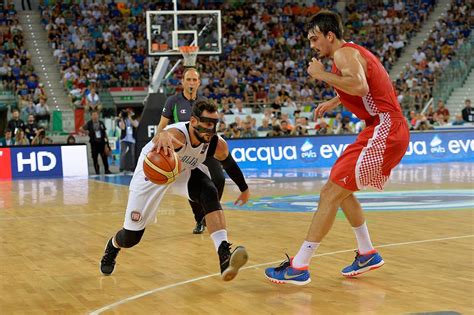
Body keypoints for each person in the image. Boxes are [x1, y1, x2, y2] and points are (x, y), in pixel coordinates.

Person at [265, 11, 410, 285]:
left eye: (314, 38)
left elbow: (358, 84)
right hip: (382, 127)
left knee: (330, 192)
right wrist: (336, 100)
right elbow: (366, 87)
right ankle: (367, 252)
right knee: (340, 191)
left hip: (385, 127)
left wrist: (321, 75)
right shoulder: (351, 53)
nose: (312, 45)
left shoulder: (342, 55)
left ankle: (299, 267)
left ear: (329, 35)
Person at [100, 101, 250, 281]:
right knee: (131, 238)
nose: (212, 129)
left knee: (209, 191)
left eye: (215, 124)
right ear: (193, 122)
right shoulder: (178, 136)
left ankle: (224, 254)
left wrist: (244, 189)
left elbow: (229, 164)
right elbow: (165, 135)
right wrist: (162, 134)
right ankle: (113, 245)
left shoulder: (216, 144)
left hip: (180, 171)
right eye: (208, 124)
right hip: (152, 176)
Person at [152, 67, 226, 234]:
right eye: (188, 80)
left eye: (194, 80)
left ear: (199, 82)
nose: (191, 83)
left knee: (219, 178)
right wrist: (159, 138)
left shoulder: (205, 101)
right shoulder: (173, 101)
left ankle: (210, 211)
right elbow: (162, 126)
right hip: (183, 152)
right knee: (192, 186)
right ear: (183, 82)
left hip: (204, 148)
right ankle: (200, 219)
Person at [80, 110, 112, 175]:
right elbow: (81, 128)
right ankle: (97, 171)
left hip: (102, 142)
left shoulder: (101, 123)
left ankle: (107, 170)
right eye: (93, 115)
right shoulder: (89, 123)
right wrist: (86, 132)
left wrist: (107, 143)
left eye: (96, 115)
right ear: (91, 116)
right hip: (94, 143)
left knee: (104, 157)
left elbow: (104, 133)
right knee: (95, 158)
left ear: (98, 116)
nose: (95, 116)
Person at [118, 107, 139, 173]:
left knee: (133, 154)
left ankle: (132, 168)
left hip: (132, 139)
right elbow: (123, 127)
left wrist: (130, 117)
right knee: (123, 154)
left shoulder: (133, 119)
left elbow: (136, 125)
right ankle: (121, 168)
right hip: (124, 139)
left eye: (129, 112)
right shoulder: (122, 120)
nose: (128, 113)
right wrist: (121, 118)